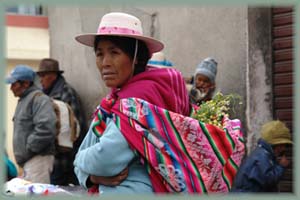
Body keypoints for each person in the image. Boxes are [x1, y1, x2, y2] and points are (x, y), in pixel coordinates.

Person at [74, 12, 244, 195]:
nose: (105, 62)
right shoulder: (116, 100)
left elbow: (104, 159)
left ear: (136, 57)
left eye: (114, 52)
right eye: (100, 54)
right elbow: (92, 165)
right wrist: (92, 177)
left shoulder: (137, 101)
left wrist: (78, 161)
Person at [36, 58, 87, 186]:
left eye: (43, 75)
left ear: (53, 75)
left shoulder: (66, 93)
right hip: (54, 160)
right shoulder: (45, 94)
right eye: (39, 76)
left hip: (66, 161)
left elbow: (76, 129)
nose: (40, 79)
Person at [5, 65, 56, 184]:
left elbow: (46, 128)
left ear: (26, 83)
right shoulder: (25, 100)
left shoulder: (39, 99)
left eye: (14, 84)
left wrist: (29, 148)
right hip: (30, 160)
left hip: (38, 159)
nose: (11, 88)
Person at [231, 120, 292, 192]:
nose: (283, 149)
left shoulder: (263, 153)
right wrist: (281, 167)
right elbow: (267, 180)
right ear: (276, 144)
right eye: (283, 145)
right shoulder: (262, 156)